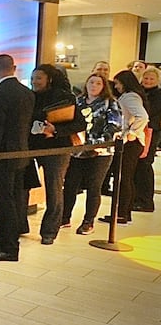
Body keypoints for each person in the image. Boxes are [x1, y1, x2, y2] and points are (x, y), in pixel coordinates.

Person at [0, 54, 34, 262]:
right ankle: (4, 240)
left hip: (2, 156)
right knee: (13, 200)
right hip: (21, 154)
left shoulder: (0, 93)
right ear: (14, 68)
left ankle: (8, 248)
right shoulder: (26, 93)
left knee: (5, 201)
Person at [26, 64, 84, 245]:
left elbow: (80, 124)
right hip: (31, 147)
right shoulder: (29, 96)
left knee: (54, 189)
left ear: (49, 79)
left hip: (57, 149)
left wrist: (56, 130)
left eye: (39, 78)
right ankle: (20, 225)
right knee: (23, 185)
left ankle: (50, 231)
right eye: (33, 78)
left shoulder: (65, 97)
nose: (34, 81)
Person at [62, 74, 121, 235]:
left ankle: (88, 221)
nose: (94, 86)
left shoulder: (110, 103)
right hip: (77, 150)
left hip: (100, 151)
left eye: (98, 83)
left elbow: (114, 125)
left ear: (103, 86)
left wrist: (98, 143)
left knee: (94, 186)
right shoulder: (78, 102)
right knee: (70, 184)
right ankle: (64, 217)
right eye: (91, 82)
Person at [98, 70, 148, 226]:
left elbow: (143, 116)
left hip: (130, 144)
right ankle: (124, 213)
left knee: (123, 178)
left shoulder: (130, 96)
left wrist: (132, 132)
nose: (117, 86)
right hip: (130, 142)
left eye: (118, 83)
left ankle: (121, 214)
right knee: (125, 178)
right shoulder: (130, 96)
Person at [133, 65, 159, 213]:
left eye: (151, 78)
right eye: (146, 78)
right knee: (136, 166)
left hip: (151, 131)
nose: (148, 81)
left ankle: (145, 201)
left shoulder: (159, 95)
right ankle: (136, 198)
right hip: (138, 131)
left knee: (144, 165)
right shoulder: (139, 93)